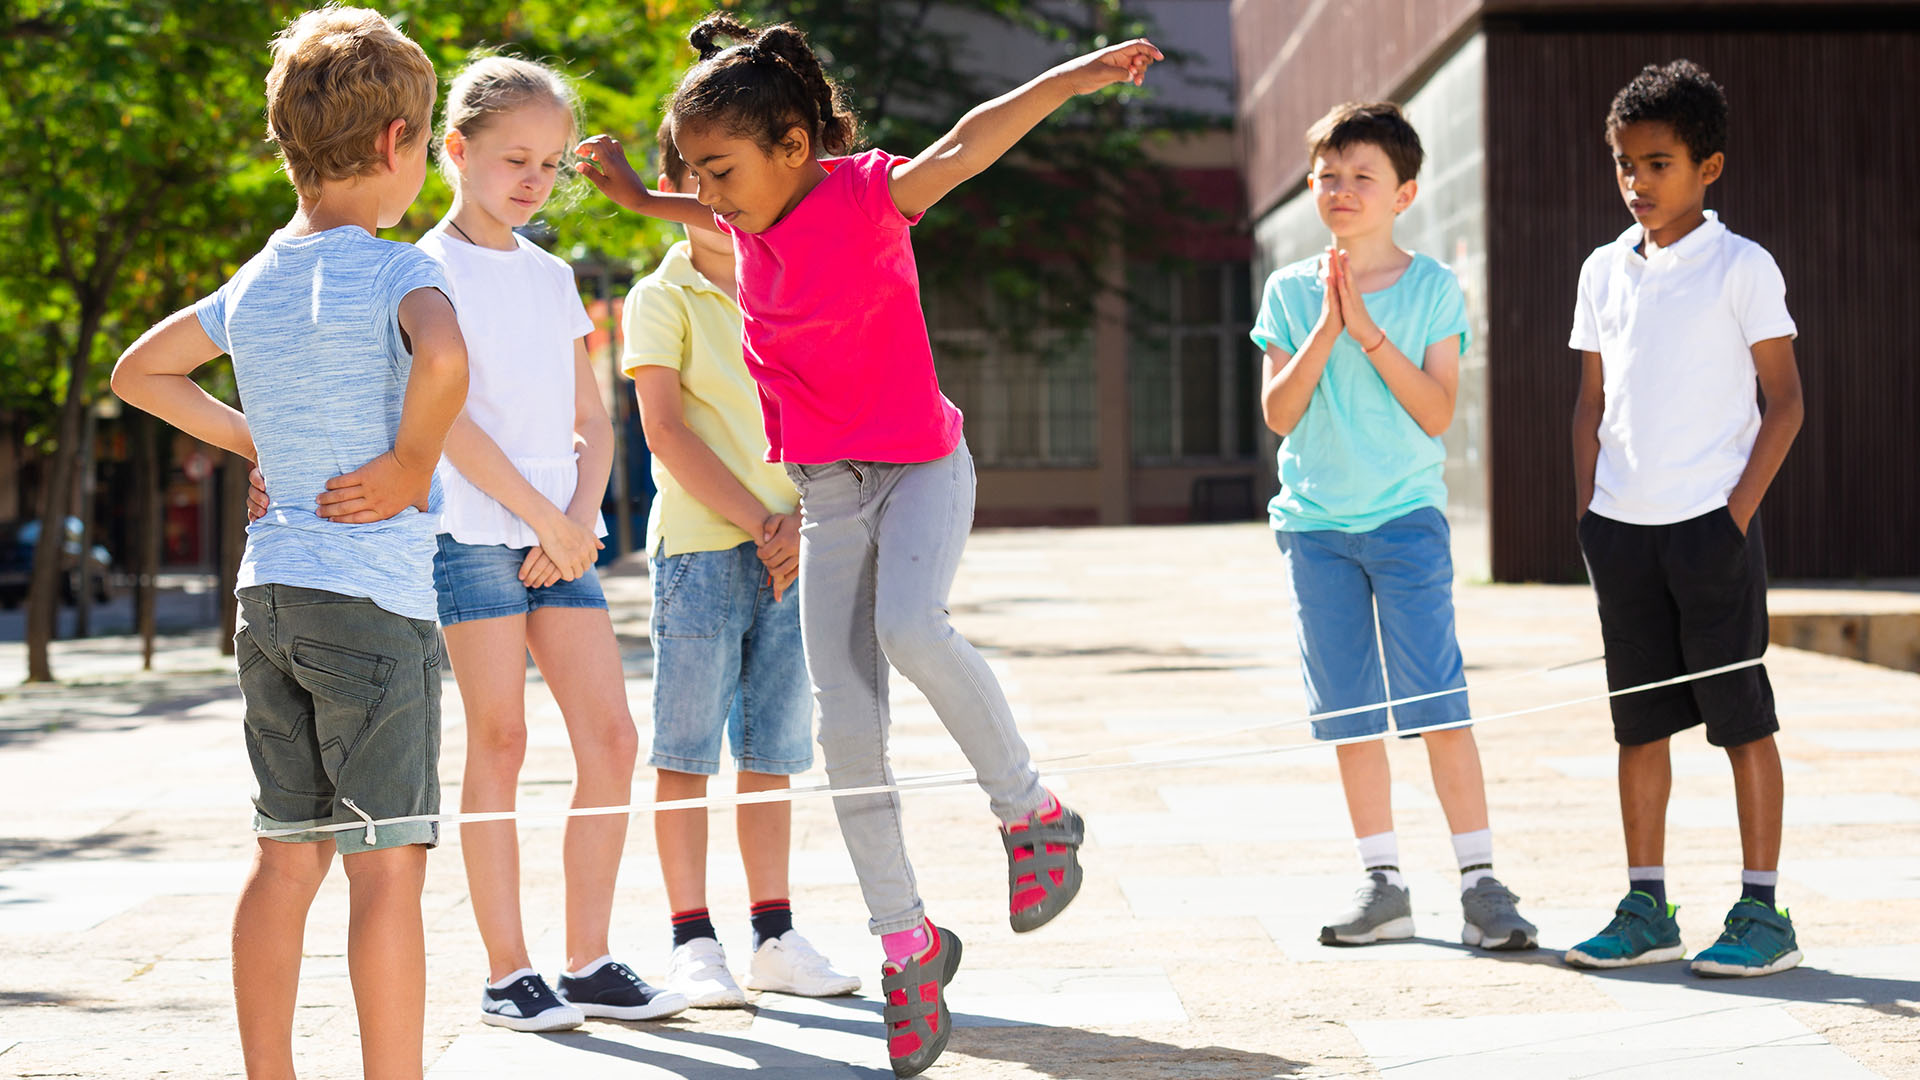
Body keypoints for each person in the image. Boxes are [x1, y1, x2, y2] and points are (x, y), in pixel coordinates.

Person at [574, 15, 1159, 1074]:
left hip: (924, 467)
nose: (705, 195)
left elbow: (968, 142)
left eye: (721, 171)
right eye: (695, 177)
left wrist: (1072, 78)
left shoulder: (867, 195)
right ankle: (909, 944)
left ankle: (1034, 815)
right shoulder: (741, 225)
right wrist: (629, 195)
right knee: (846, 731)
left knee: (909, 627)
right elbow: (681, 203)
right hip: (829, 494)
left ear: (794, 145)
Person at [110, 9, 467, 1077]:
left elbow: (138, 371)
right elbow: (446, 362)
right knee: (387, 867)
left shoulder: (254, 282)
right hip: (372, 607)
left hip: (269, 602)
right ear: (399, 144)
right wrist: (408, 468)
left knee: (284, 859)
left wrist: (249, 436)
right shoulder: (398, 271)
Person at [400, 55, 685, 1030]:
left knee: (611, 739)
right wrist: (545, 517)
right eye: (513, 157)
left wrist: (579, 519)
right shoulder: (419, 272)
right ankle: (505, 973)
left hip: (561, 538)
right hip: (471, 537)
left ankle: (591, 958)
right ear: (455, 149)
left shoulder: (554, 274)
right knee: (502, 739)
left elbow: (594, 415)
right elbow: (446, 423)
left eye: (551, 163)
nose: (533, 177)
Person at [1252, 101, 1537, 953]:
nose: (1341, 190)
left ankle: (1481, 882)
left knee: (1437, 703)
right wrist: (1327, 327)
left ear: (1404, 192)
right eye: (1327, 176)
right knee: (1348, 713)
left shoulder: (1431, 288)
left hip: (1405, 521)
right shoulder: (1290, 289)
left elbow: (1436, 412)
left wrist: (1366, 331)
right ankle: (1383, 883)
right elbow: (1279, 412)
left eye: (1362, 176)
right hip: (1316, 528)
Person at [1564, 60, 1804, 978]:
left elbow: (1785, 402)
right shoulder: (1600, 271)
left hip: (1711, 530)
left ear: (1709, 167)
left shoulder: (1744, 267)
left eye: (1657, 163)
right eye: (1625, 164)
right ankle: (1646, 904)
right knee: (1638, 729)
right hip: (1621, 533)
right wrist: (1589, 510)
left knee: (1742, 720)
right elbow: (1590, 400)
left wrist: (1733, 518)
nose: (1637, 183)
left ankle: (1761, 911)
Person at [619, 118, 860, 1009]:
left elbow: (824, 408)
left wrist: (798, 521)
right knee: (685, 752)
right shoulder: (661, 297)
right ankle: (693, 944)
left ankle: (774, 936)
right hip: (703, 551)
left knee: (773, 751)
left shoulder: (788, 286)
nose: (720, 201)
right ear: (673, 189)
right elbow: (664, 433)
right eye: (699, 181)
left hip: (795, 547)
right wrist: (761, 519)